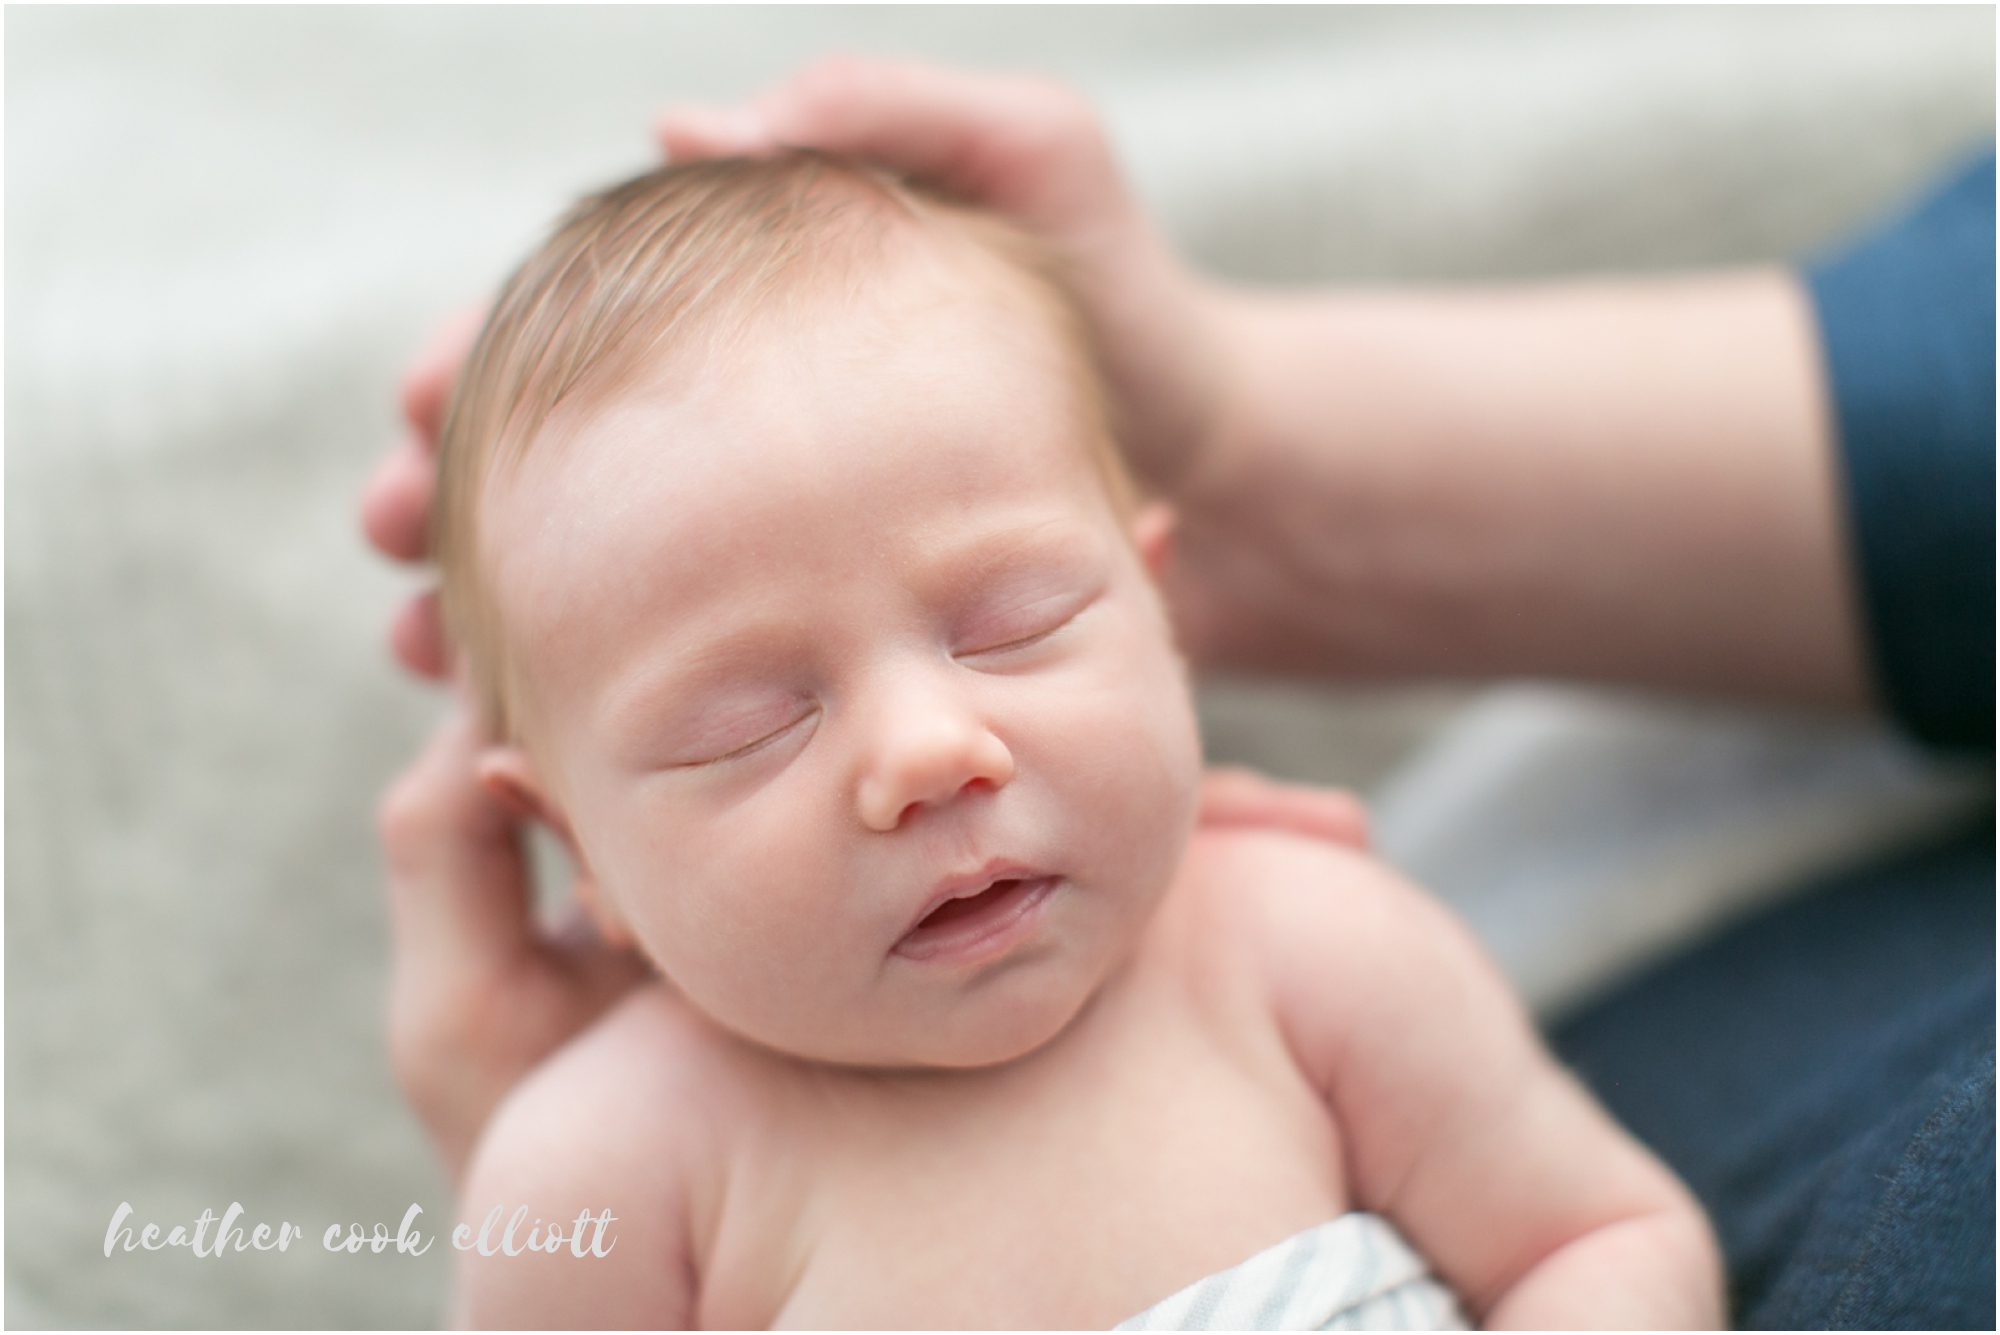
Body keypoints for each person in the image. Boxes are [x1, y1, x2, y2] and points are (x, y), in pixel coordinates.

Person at [362, 58, 1993, 1327]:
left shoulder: (1295, 953)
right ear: (577, 851)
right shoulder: (607, 1163)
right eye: (747, 728)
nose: (930, 752)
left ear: (1161, 608)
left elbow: (1596, 1232)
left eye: (1009, 627)